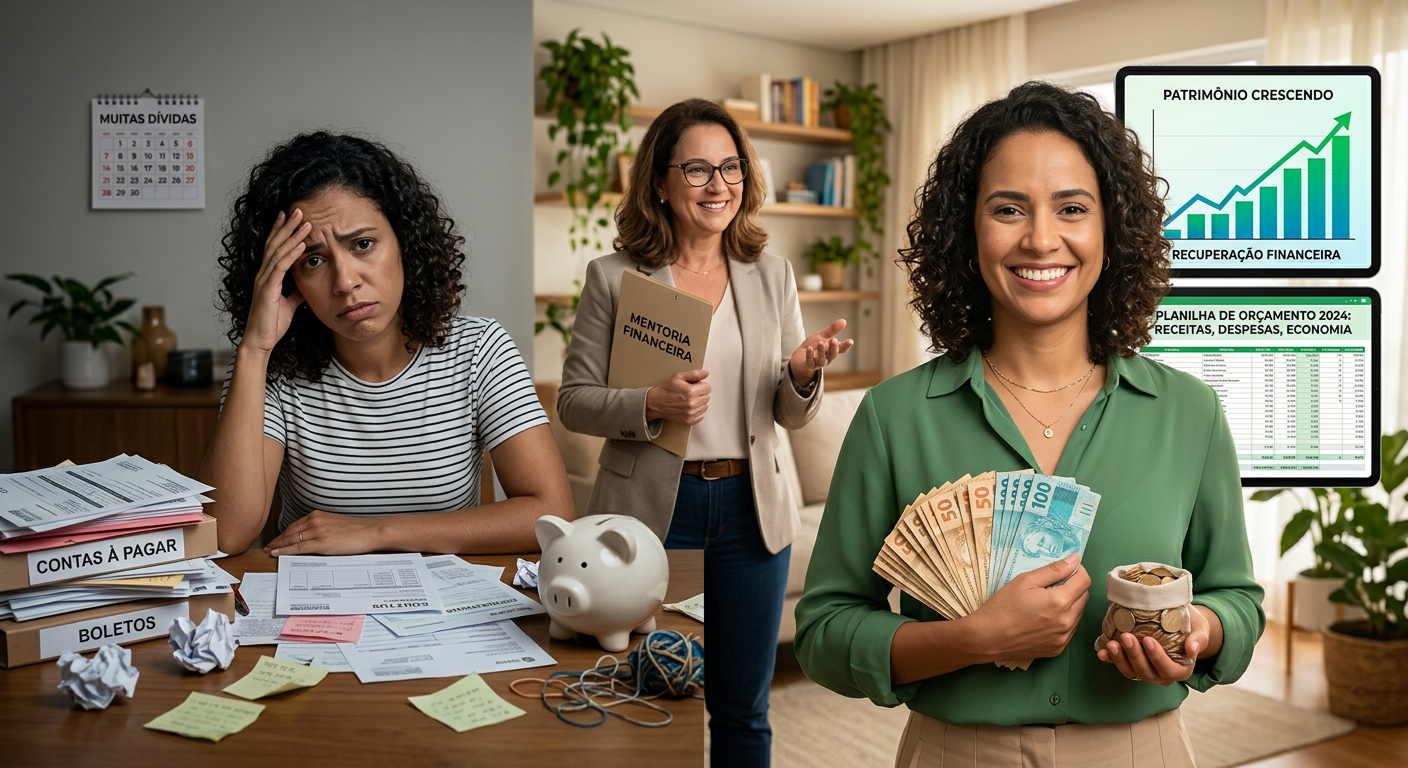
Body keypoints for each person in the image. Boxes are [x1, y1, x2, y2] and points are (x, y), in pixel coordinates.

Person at [793, 82, 1265, 768]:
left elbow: (1240, 600)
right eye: (1008, 209)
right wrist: (975, 638)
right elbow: (825, 633)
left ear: (1112, 230)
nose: (1042, 239)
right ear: (967, 232)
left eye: (1072, 208)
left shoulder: (1190, 413)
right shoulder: (893, 417)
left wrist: (1197, 632)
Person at [557, 98, 853, 767]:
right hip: (656, 512)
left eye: (731, 168)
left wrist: (802, 374)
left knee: (744, 708)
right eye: (697, 170)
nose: (718, 185)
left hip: (752, 512)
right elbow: (574, 403)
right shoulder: (614, 277)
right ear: (659, 181)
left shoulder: (770, 274)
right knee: (647, 702)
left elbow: (788, 412)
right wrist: (650, 402)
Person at [201, 131, 572, 557]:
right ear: (287, 278)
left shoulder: (479, 349)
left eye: (363, 244)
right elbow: (225, 535)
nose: (345, 282)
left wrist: (375, 532)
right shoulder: (269, 366)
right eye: (313, 260)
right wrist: (254, 349)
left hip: (452, 608)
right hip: (317, 608)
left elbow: (552, 514)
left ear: (405, 244)